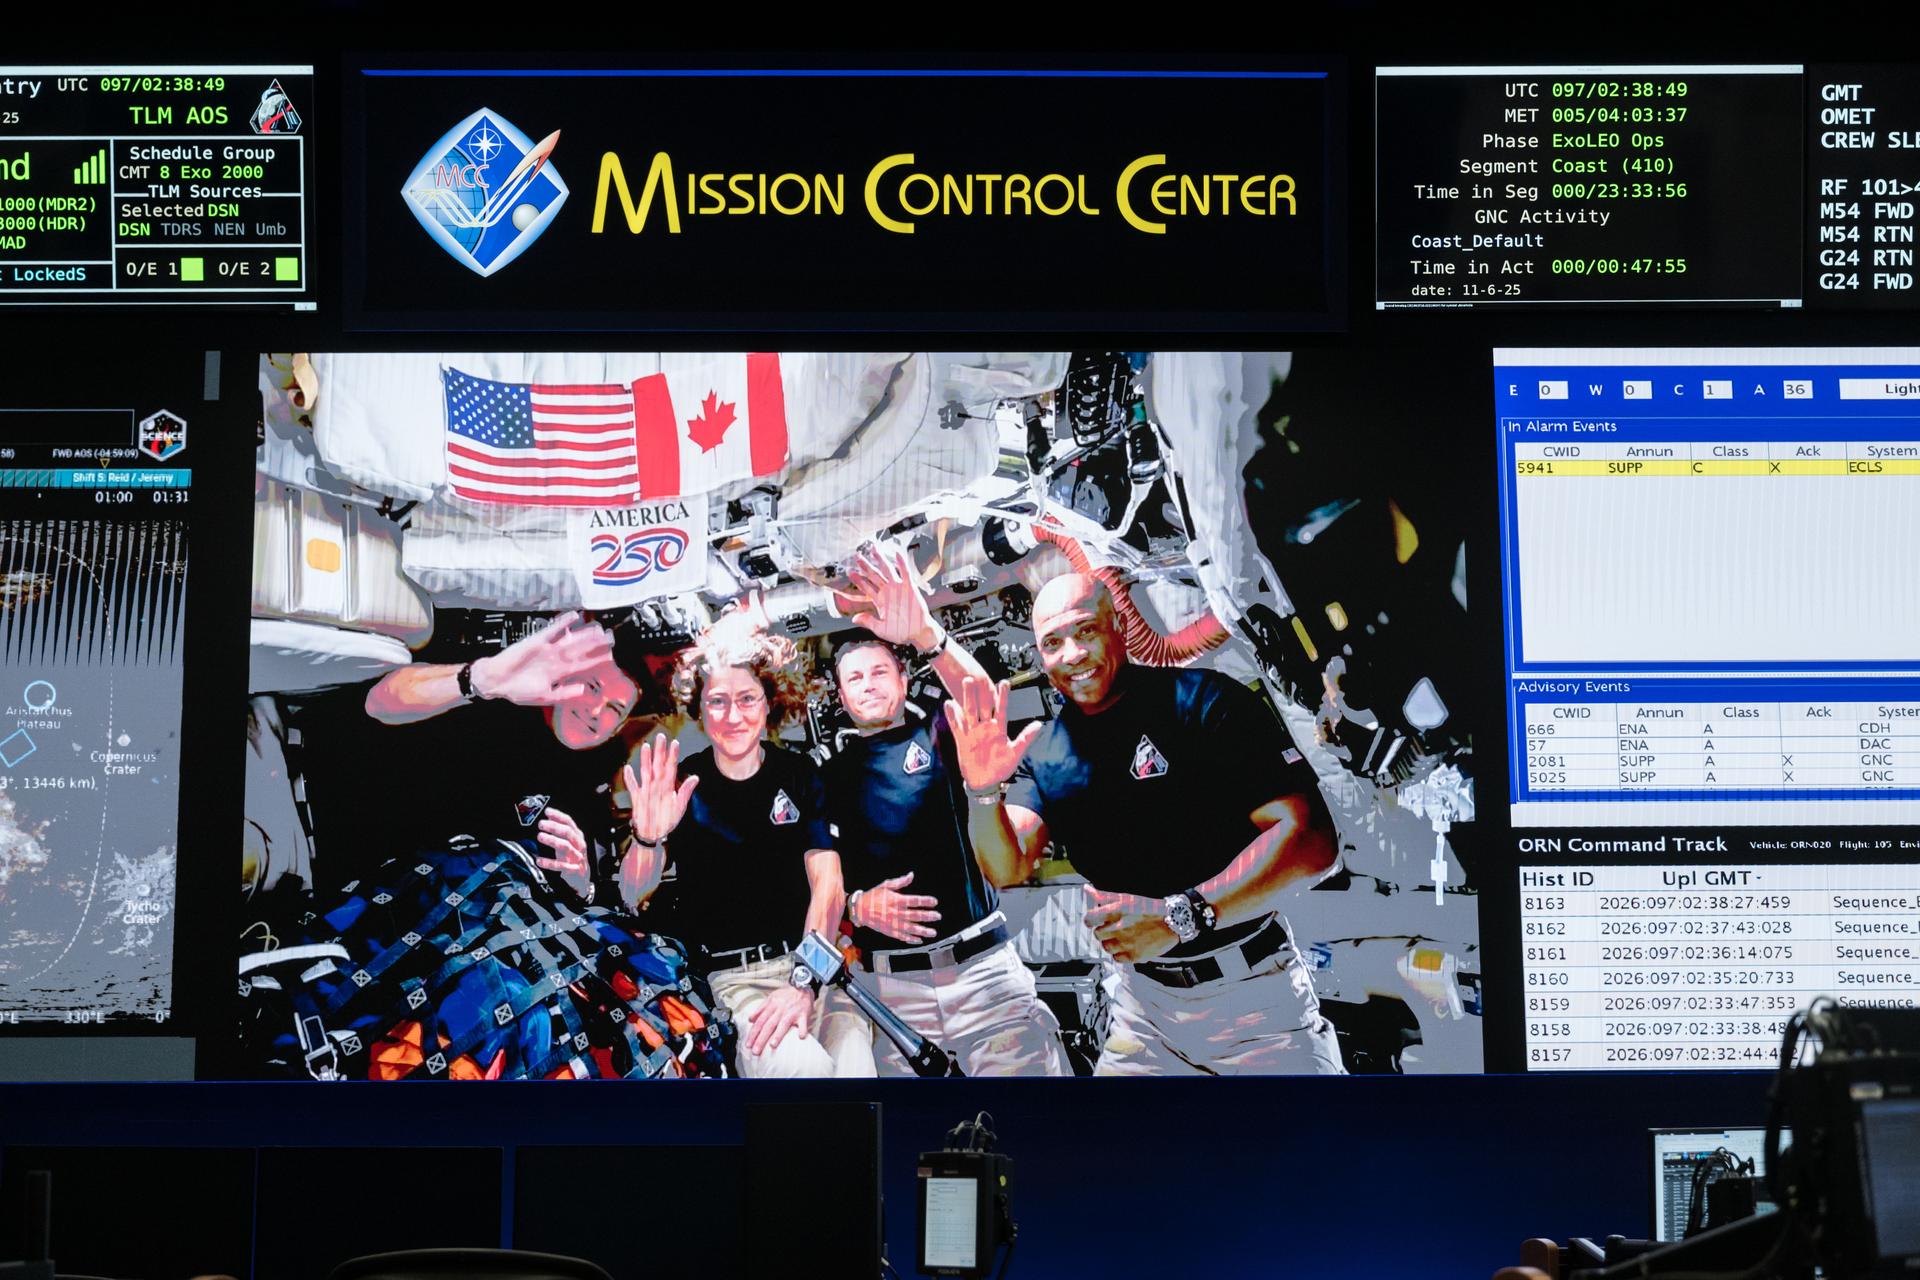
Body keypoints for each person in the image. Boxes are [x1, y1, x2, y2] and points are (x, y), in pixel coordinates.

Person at [987, 572, 1345, 1075]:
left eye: (1086, 630)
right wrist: (981, 791)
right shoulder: (1043, 753)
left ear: (1118, 627)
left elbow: (1314, 841)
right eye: (1053, 642)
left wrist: (1184, 915)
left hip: (1253, 1001)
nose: (1072, 654)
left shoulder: (1203, 700)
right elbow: (1005, 867)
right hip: (1141, 1011)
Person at [824, 545, 1067, 1076]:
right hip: (891, 989)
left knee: (1032, 1113)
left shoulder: (941, 731)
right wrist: (855, 907)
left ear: (903, 680)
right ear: (841, 698)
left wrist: (925, 634)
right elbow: (812, 880)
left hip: (982, 973)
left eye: (879, 671)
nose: (868, 684)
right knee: (917, 1125)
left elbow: (981, 698)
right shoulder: (825, 777)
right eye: (855, 679)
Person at [619, 617, 873, 1078]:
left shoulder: (800, 775)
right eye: (717, 701)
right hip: (736, 984)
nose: (732, 716)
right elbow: (632, 894)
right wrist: (648, 838)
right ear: (699, 708)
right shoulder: (683, 783)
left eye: (746, 699)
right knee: (806, 1070)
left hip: (812, 968)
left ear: (768, 701)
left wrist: (805, 981)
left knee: (856, 1071)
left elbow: (828, 887)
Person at [349, 611, 634, 900]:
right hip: (381, 871)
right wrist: (479, 680)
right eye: (592, 687)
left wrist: (582, 887)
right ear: (565, 677)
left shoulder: (593, 791)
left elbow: (597, 898)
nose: (595, 711)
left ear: (618, 729)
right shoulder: (502, 694)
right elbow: (378, 702)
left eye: (614, 709)